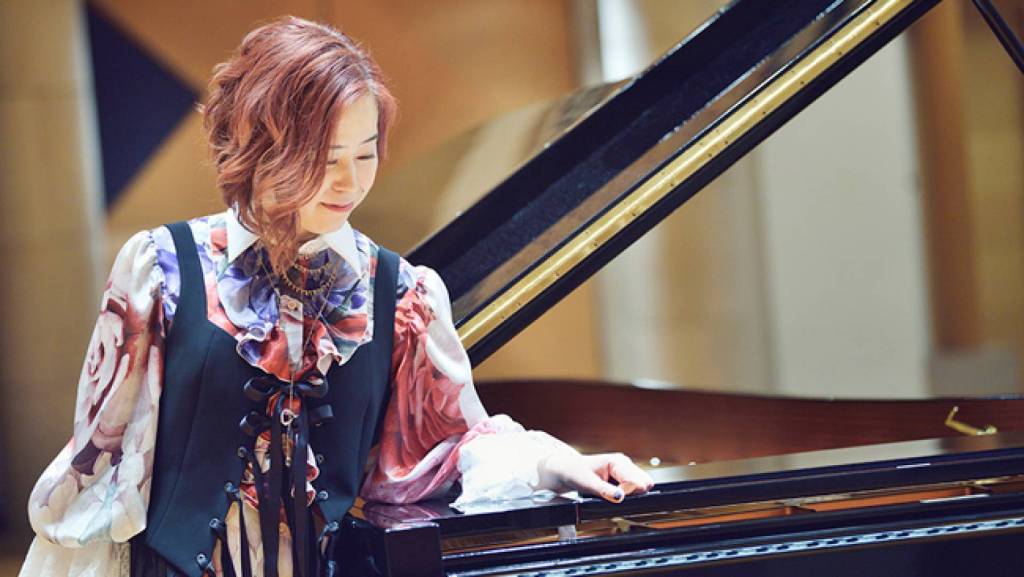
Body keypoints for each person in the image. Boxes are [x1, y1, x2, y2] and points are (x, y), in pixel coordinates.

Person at [20, 16, 654, 577]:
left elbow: (454, 442)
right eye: (325, 159)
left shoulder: (399, 293)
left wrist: (559, 465)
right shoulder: (162, 270)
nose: (350, 182)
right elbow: (101, 470)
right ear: (261, 146)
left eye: (366, 154)